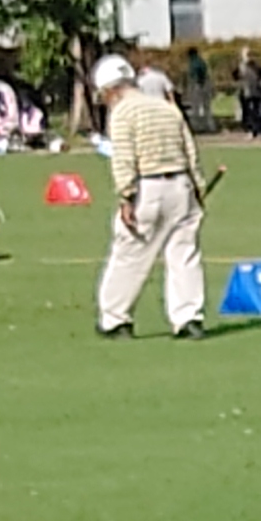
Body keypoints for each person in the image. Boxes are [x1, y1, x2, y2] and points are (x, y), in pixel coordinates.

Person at [93, 54, 207, 338]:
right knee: (184, 254)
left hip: (148, 189)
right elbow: (190, 150)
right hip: (182, 186)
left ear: (110, 90)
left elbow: (124, 158)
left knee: (130, 254)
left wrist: (126, 196)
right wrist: (198, 186)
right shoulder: (167, 108)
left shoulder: (122, 112)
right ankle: (188, 318)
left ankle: (115, 319)